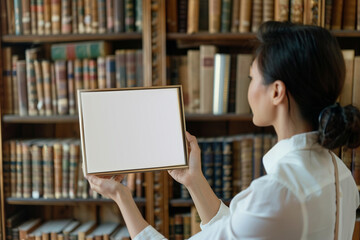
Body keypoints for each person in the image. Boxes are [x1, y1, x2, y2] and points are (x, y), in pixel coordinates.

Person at [86, 21, 360, 239]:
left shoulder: (277, 192)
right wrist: (194, 180)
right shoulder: (340, 173)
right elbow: (243, 230)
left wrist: (120, 196)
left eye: (252, 78)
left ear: (276, 91)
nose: (248, 88)